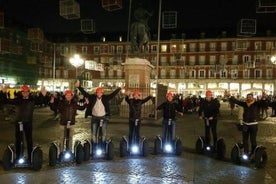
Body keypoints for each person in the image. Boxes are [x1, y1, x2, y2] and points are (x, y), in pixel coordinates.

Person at [8, 85, 45, 162]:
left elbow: (41, 101)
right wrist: (3, 93)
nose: (25, 93)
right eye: (23, 92)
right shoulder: (17, 100)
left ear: (29, 92)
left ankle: (30, 157)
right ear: (21, 92)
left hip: (28, 123)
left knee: (29, 140)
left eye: (26, 92)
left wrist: (42, 94)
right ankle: (18, 157)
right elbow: (6, 101)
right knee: (18, 140)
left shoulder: (32, 100)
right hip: (19, 123)